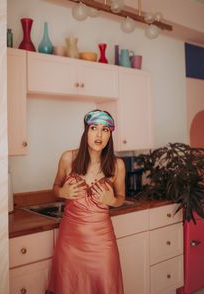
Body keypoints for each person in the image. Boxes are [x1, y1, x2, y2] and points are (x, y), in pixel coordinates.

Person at [48, 109, 125, 294]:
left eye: (105, 129)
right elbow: (55, 188)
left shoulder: (117, 165)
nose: (99, 134)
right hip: (70, 242)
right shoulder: (68, 158)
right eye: (94, 128)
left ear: (110, 135)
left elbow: (121, 198)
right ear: (86, 132)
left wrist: (112, 199)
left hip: (102, 242)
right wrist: (63, 191)